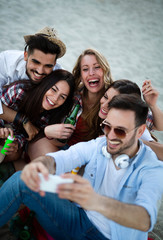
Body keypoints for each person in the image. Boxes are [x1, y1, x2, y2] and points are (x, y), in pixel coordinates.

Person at [0, 94, 163, 240]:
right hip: (78, 219)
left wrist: (94, 201)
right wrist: (40, 165)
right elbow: (62, 159)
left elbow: (145, 220)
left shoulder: (151, 168)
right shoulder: (100, 144)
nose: (111, 136)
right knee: (22, 180)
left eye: (120, 131)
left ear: (140, 131)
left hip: (110, 236)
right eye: (107, 127)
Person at [27, 48, 114, 160]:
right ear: (80, 74)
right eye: (85, 69)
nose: (91, 73)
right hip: (56, 146)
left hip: (85, 157)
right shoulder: (70, 96)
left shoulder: (113, 99)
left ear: (105, 69)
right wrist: (48, 132)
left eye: (97, 67)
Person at [0, 69, 75, 174]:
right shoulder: (20, 91)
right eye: (53, 89)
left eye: (62, 97)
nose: (55, 98)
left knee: (13, 153)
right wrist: (23, 120)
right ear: (46, 84)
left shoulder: (52, 116)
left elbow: (26, 137)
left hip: (11, 140)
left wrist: (16, 143)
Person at [0, 26, 66, 141]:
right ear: (26, 55)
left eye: (48, 66)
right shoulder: (5, 60)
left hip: (21, 133)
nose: (40, 71)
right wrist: (24, 120)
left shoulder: (59, 77)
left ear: (55, 64)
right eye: (36, 62)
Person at [99, 79, 163, 160]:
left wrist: (131, 141)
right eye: (105, 97)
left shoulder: (135, 127)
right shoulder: (112, 119)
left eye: (113, 102)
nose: (104, 104)